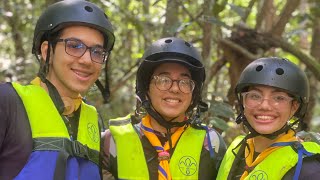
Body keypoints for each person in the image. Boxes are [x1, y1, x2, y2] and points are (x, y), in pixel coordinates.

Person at [0, 1, 115, 179]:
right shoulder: (8, 101)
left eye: (97, 52)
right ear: (47, 51)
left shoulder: (93, 120)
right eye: (74, 45)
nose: (87, 60)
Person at [102, 37, 227, 180]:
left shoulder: (211, 144)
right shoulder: (112, 141)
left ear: (194, 93)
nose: (174, 89)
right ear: (146, 89)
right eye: (163, 80)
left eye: (185, 82)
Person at [217, 57, 320, 180]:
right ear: (243, 101)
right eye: (255, 96)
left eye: (279, 98)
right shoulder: (236, 147)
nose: (264, 105)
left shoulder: (309, 170)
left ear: (294, 107)